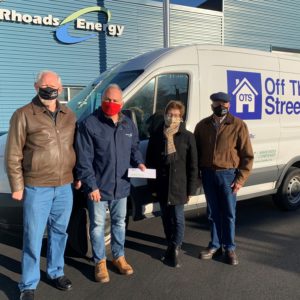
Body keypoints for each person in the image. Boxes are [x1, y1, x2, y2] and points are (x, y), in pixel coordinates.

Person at [5, 71, 76, 300]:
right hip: (37, 186)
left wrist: (77, 174)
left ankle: (56, 272)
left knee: (59, 232)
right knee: (33, 236)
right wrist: (17, 185)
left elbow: (75, 148)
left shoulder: (69, 115)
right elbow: (13, 153)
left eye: (53, 85)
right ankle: (28, 283)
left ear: (60, 87)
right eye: (45, 84)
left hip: (64, 185)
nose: (49, 88)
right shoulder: (23, 114)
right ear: (36, 86)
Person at [75, 84, 146, 283]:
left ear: (122, 103)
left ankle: (119, 256)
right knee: (97, 225)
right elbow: (84, 159)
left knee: (119, 224)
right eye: (108, 99)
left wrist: (139, 161)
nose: (111, 104)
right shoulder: (89, 124)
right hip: (98, 187)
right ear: (102, 99)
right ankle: (100, 262)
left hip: (121, 186)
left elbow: (134, 148)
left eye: (115, 101)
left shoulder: (128, 124)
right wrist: (91, 185)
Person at [194, 92, 254, 266]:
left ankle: (229, 247)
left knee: (228, 213)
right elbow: (196, 153)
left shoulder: (238, 125)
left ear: (229, 105)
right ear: (212, 105)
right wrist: (197, 173)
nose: (222, 107)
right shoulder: (202, 126)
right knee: (213, 213)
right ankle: (214, 245)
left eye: (225, 104)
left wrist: (241, 179)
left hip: (228, 175)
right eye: (218, 103)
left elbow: (247, 156)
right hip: (208, 174)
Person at [146, 101, 198, 267]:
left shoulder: (188, 136)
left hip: (179, 186)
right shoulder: (156, 135)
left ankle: (175, 248)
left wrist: (191, 189)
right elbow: (150, 162)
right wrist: (152, 187)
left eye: (177, 115)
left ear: (181, 117)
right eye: (170, 114)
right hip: (161, 185)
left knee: (178, 218)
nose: (173, 118)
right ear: (165, 115)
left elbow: (193, 165)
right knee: (166, 218)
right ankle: (170, 243)